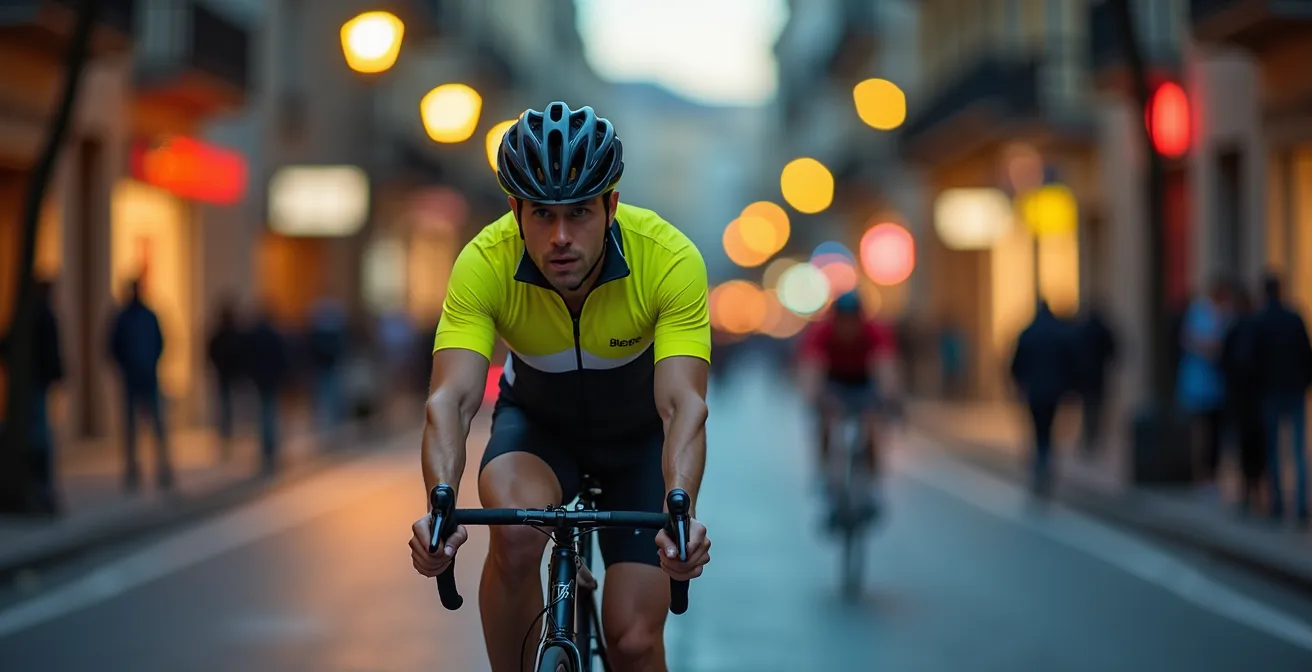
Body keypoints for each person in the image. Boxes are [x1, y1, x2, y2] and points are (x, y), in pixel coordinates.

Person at [407, 102, 712, 672]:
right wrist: (440, 504)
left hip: (638, 445)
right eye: (543, 215)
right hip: (538, 430)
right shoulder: (484, 261)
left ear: (611, 205)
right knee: (517, 536)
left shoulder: (668, 258)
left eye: (580, 212)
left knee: (632, 641)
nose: (562, 237)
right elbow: (451, 399)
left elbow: (682, 406)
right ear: (515, 210)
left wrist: (680, 511)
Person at [797, 291, 898, 520]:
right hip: (834, 382)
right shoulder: (821, 332)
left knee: (873, 427)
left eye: (853, 321)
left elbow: (886, 368)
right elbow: (810, 369)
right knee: (826, 421)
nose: (848, 327)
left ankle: (872, 480)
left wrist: (889, 398)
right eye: (842, 320)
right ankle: (825, 474)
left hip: (864, 382)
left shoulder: (875, 331)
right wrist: (814, 399)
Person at [1250, 273, 1312, 523]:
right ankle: (1300, 505)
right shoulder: (1293, 318)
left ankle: (1277, 503)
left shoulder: (1261, 321)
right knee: (1297, 449)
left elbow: (1253, 360)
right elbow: (1307, 354)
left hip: (1272, 391)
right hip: (1293, 389)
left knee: (1274, 449)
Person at [1010, 301, 1078, 498]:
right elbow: (1070, 362)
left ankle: (1040, 462)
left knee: (1037, 428)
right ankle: (1045, 461)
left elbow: (1016, 364)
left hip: (1034, 390)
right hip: (1053, 390)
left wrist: (1019, 384)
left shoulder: (1028, 333)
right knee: (1048, 428)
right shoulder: (1060, 333)